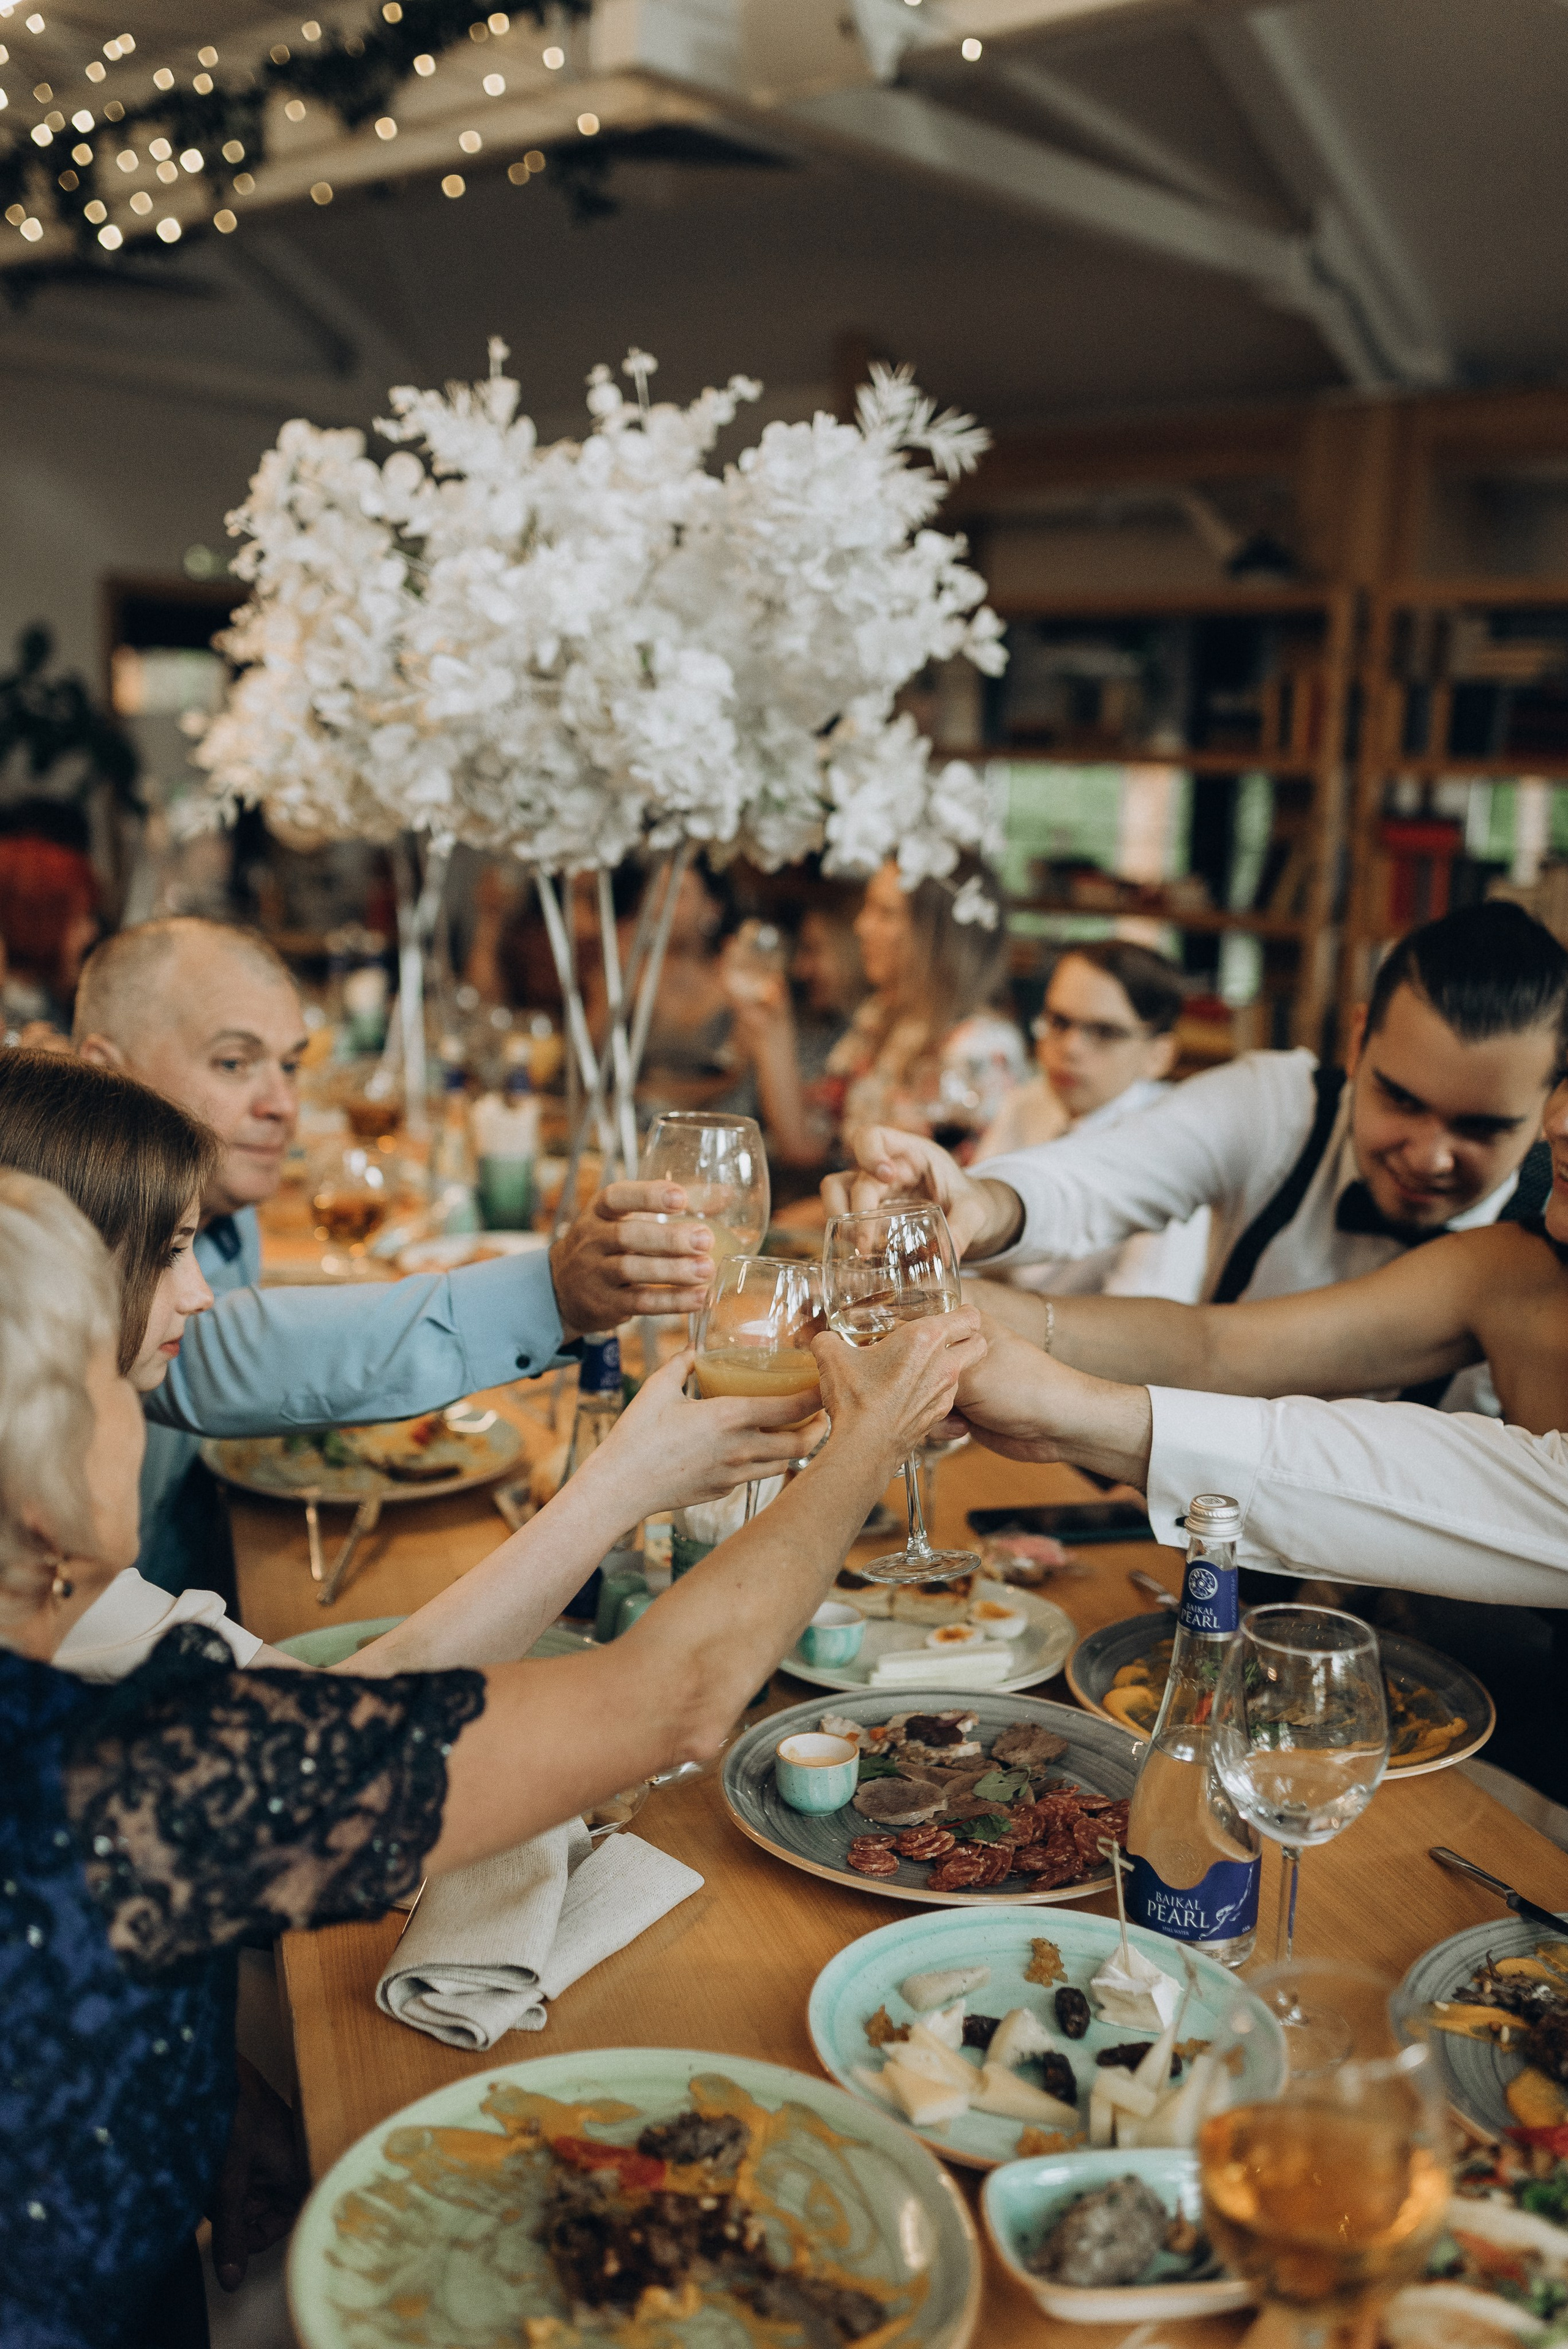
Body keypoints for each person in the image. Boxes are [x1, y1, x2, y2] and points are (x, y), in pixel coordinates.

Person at [0, 1165, 985, 2349]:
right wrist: (867, 1442)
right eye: (106, 1388)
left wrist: (211, 2096)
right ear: (38, 1487)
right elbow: (668, 1699)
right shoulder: (121, 1776)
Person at [0, 1050, 815, 1687]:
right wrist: (622, 1484)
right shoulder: (58, 1589)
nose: (206, 1296)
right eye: (174, 1250)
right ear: (58, 1271)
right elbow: (357, 1737)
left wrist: (556, 1295)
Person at [68, 917, 720, 1597]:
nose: (283, 1105)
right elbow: (213, 1356)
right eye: (234, 1063)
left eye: (291, 1065)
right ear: (103, 1071)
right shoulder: (55, 1246)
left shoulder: (221, 1211)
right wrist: (551, 1294)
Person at [829, 900, 1568, 1403]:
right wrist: (983, 1201)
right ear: (1358, 1038)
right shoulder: (1283, 1104)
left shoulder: (1552, 1229)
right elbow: (1103, 1175)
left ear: (1552, 1105)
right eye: (1400, 1100)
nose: (1430, 1156)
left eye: (1480, 1128)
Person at [973, 939, 1210, 1302]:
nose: (1070, 1048)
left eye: (1104, 1033)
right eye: (1059, 1022)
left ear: (1158, 1056)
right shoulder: (1028, 1104)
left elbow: (1143, 1313)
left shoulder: (1177, 1148)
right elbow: (966, 1241)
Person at [725, 895, 867, 1171]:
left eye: (814, 950)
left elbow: (804, 1147)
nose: (800, 969)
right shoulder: (817, 1027)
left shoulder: (861, 1036)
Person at [0, 830, 99, 1035]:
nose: (91, 931)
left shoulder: (46, 1002)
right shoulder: (19, 1029)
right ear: (37, 922)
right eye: (78, 918)